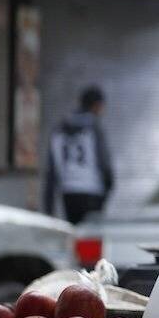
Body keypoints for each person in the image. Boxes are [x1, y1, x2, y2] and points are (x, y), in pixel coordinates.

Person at [45, 86, 115, 224]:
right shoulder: (93, 127)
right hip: (92, 190)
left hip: (68, 191)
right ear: (97, 105)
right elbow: (104, 163)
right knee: (91, 234)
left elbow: (52, 169)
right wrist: (108, 188)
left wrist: (49, 206)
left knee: (75, 232)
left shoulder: (60, 128)